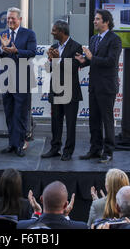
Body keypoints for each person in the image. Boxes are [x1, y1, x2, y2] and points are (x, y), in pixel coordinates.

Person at [75, 9, 122, 164]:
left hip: (107, 86)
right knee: (93, 119)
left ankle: (108, 152)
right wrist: (84, 61)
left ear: (106, 22)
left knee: (107, 120)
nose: (94, 21)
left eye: (97, 19)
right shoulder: (94, 38)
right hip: (94, 85)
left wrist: (91, 57)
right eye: (94, 19)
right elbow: (93, 60)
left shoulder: (115, 40)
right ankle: (95, 149)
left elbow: (110, 62)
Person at [0, 7, 37, 158]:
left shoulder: (29, 34)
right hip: (5, 81)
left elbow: (32, 52)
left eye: (13, 18)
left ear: (20, 19)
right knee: (9, 113)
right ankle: (12, 144)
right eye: (8, 19)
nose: (10, 21)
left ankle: (20, 144)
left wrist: (16, 51)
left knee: (21, 114)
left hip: (22, 81)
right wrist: (2, 48)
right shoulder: (1, 35)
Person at [41, 20, 83, 161]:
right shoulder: (53, 47)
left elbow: (73, 68)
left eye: (54, 30)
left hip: (71, 92)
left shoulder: (76, 47)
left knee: (70, 124)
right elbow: (48, 70)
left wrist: (58, 60)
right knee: (55, 122)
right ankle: (55, 148)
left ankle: (68, 151)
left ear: (62, 32)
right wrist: (50, 60)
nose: (52, 33)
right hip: (56, 90)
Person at [17, 181, 87, 229]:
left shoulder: (21, 226)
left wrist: (37, 212)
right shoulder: (82, 227)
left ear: (41, 200)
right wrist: (65, 216)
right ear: (65, 205)